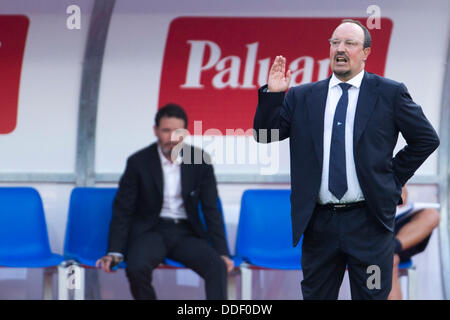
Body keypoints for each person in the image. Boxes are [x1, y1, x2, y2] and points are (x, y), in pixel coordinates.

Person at [253, 19, 439, 299]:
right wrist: (273, 97)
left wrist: (391, 179)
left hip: (370, 222)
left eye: (349, 43)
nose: (340, 49)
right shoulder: (303, 96)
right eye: (335, 42)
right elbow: (265, 136)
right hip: (319, 224)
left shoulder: (389, 93)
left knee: (373, 295)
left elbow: (426, 139)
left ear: (365, 52)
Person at [96, 103, 234, 300]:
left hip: (186, 232)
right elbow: (122, 209)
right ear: (156, 131)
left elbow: (211, 208)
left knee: (217, 268)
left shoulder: (200, 161)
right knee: (136, 269)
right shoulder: (138, 162)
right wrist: (114, 251)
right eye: (166, 131)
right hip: (151, 231)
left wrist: (222, 252)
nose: (171, 138)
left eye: (177, 132)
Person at [388, 186, 440, 300]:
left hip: (397, 233)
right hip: (368, 229)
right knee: (389, 260)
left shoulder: (390, 168)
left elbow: (402, 199)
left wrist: (400, 187)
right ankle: (387, 251)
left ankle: (391, 247)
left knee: (431, 215)